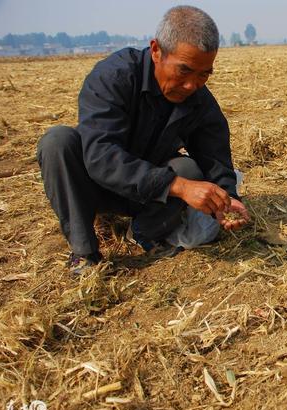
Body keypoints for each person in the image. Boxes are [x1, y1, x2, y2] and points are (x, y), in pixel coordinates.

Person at [36, 5, 250, 276]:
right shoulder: (115, 77)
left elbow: (215, 156)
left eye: (204, 74)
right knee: (57, 141)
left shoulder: (199, 100)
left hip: (149, 197)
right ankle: (84, 253)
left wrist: (227, 198)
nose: (192, 85)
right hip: (94, 185)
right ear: (157, 50)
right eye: (184, 71)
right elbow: (100, 156)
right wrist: (178, 186)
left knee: (189, 170)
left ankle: (142, 233)